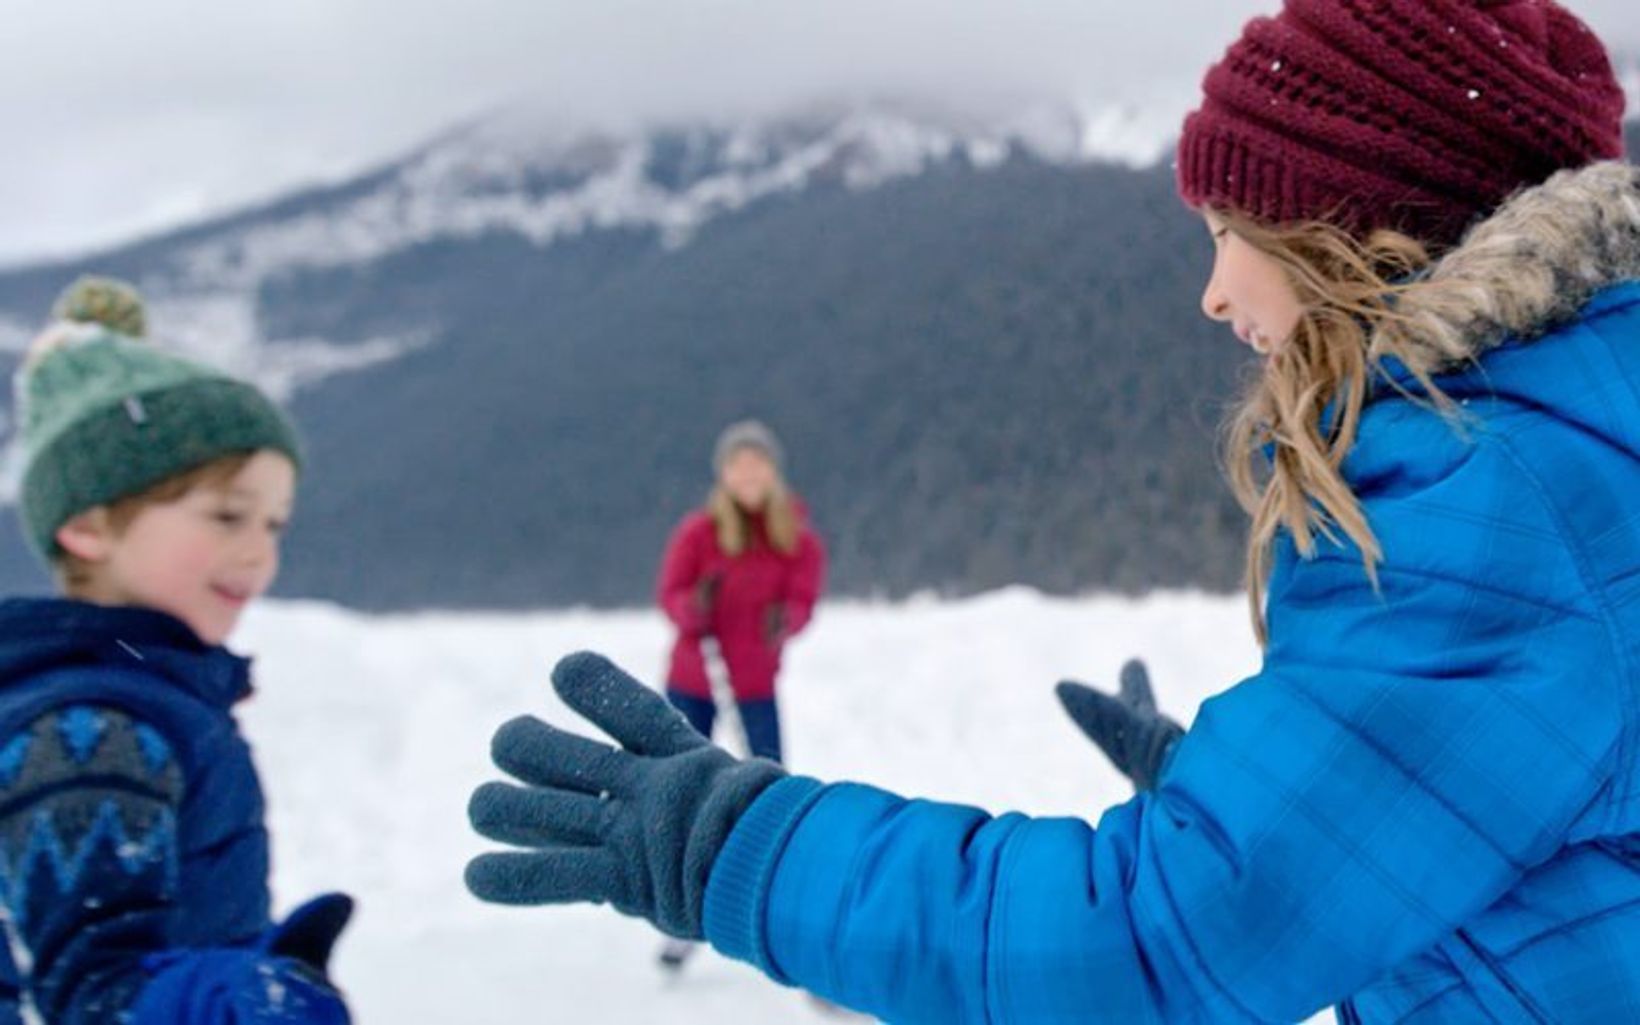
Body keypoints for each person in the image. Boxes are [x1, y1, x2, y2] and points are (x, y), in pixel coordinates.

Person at [467, 2, 1640, 1020]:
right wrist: (1272, 780)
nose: (1212, 292)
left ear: (1343, 229)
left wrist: (737, 846)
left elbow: (1155, 940)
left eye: (1228, 236)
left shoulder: (1488, 501)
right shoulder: (1579, 436)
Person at [0, 277, 353, 1024]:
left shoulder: (148, 700)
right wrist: (242, 1000)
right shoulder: (88, 732)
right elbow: (91, 997)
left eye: (274, 525)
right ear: (88, 527)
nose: (258, 553)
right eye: (228, 516)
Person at [652, 420, 825, 970]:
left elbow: (804, 600)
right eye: (738, 464)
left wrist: (785, 619)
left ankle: (776, 898)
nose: (748, 474)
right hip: (695, 681)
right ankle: (680, 908)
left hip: (753, 683)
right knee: (682, 790)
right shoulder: (699, 533)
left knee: (770, 788)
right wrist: (693, 608)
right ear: (723, 474)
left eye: (757, 463)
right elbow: (670, 595)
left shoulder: (795, 537)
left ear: (773, 471)